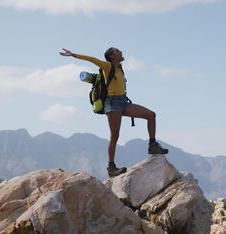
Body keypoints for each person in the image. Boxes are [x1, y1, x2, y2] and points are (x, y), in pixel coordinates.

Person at [60, 47, 168, 177]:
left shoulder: (119, 68)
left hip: (123, 102)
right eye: (117, 51)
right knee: (115, 136)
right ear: (111, 56)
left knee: (151, 115)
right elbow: (93, 60)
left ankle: (152, 145)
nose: (120, 51)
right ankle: (111, 168)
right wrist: (73, 55)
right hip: (112, 103)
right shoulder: (107, 66)